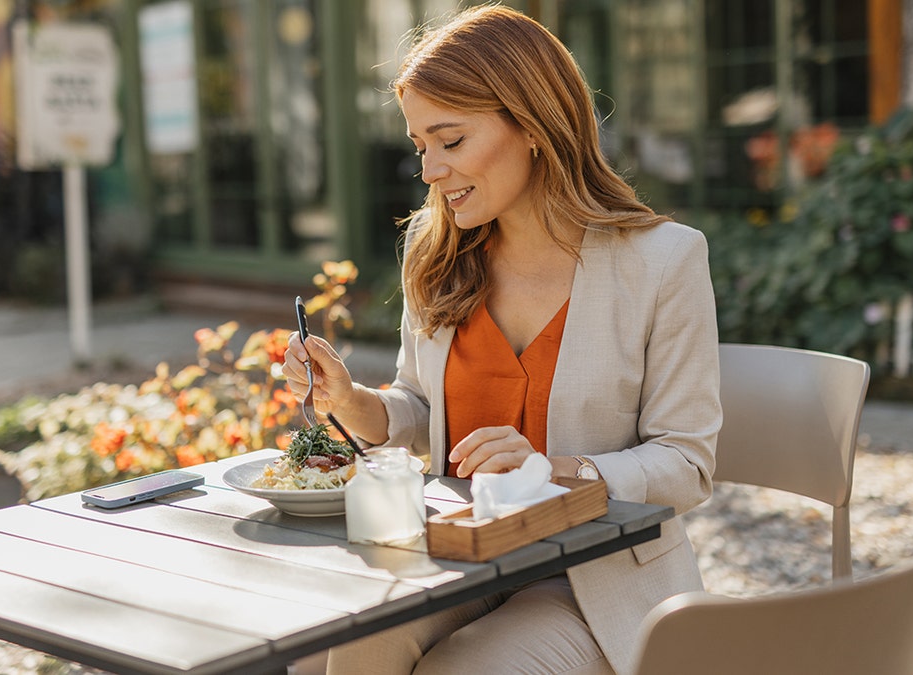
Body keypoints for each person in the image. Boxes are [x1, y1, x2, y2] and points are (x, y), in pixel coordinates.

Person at [284, 5, 721, 674]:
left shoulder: (664, 262)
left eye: (451, 140)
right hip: (456, 558)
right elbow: (419, 414)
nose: (430, 170)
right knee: (347, 644)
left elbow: (688, 463)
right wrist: (348, 400)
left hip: (590, 576)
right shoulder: (433, 254)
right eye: (420, 145)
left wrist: (552, 468)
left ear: (533, 125)